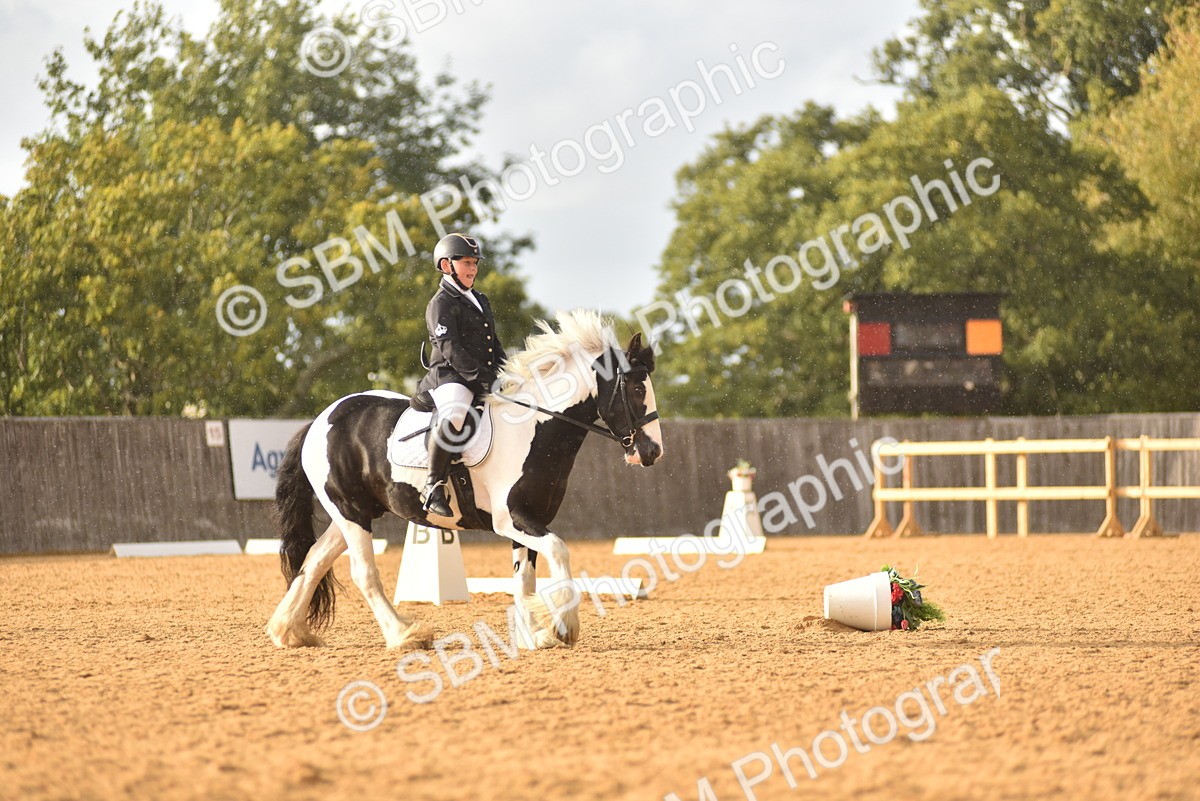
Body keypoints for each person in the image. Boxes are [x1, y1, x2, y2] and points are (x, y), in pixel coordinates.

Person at [415, 232, 506, 516]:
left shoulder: (480, 298)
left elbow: (494, 342)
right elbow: (451, 348)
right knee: (455, 413)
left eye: (475, 263)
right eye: (466, 263)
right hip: (450, 375)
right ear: (446, 265)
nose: (473, 269)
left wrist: (508, 371)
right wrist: (483, 378)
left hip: (481, 374)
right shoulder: (441, 302)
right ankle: (433, 486)